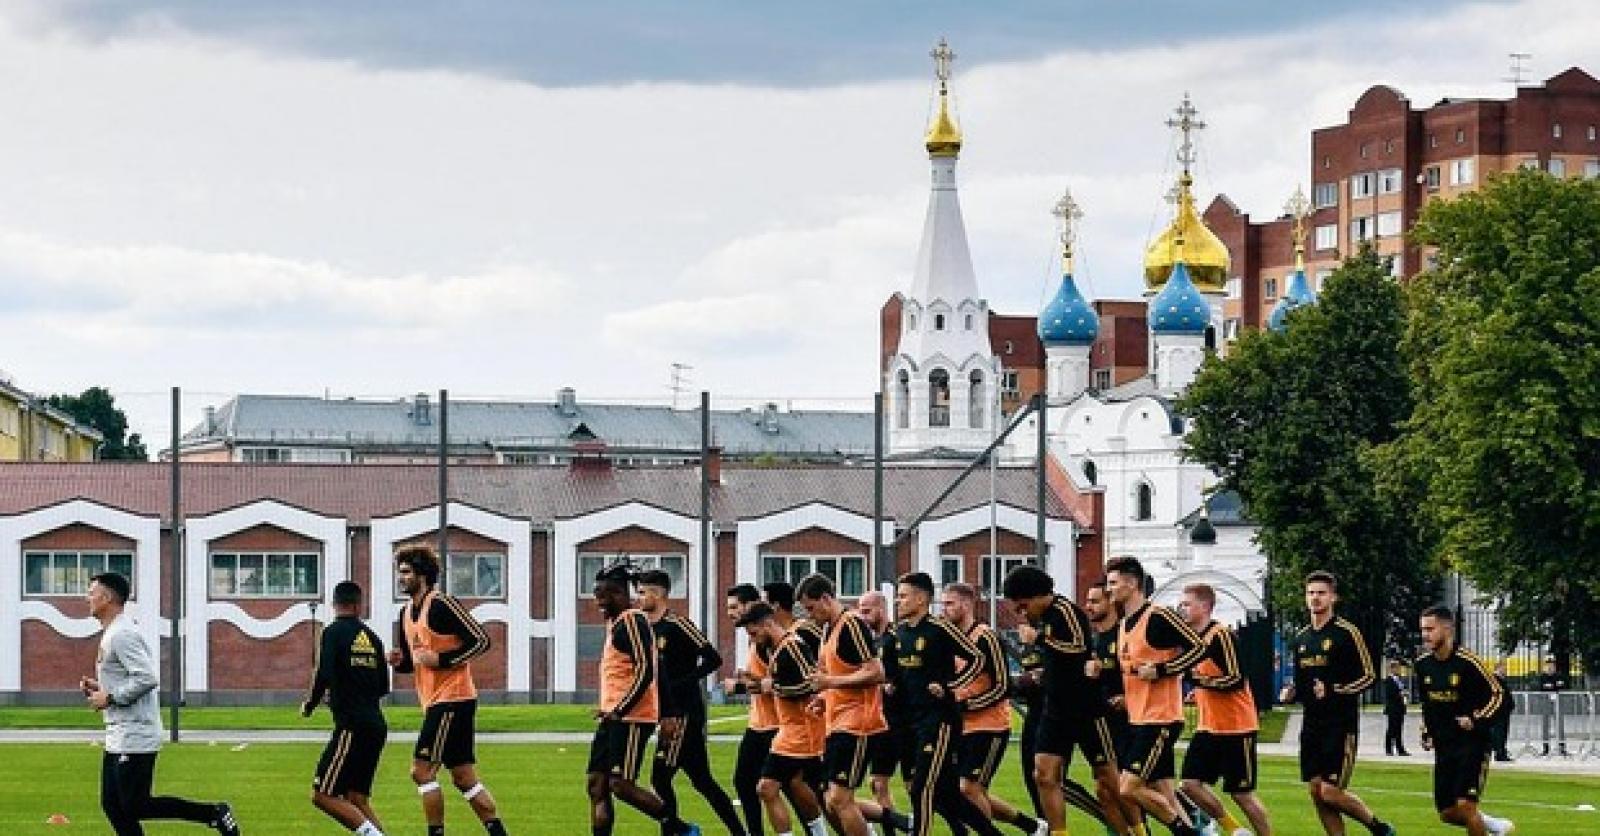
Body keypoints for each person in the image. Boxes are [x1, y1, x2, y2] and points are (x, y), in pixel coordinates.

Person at [82, 572, 241, 836]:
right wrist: (100, 690)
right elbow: (130, 680)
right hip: (119, 732)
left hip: (135, 733)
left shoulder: (122, 634)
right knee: (112, 805)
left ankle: (214, 814)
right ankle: (213, 814)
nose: (86, 598)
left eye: (91, 592)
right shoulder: (113, 632)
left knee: (135, 805)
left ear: (107, 597)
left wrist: (109, 698)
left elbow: (147, 678)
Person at [387, 545, 508, 836]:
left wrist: (442, 660)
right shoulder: (405, 613)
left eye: (406, 572)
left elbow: (481, 640)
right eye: (399, 572)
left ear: (423, 575)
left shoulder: (442, 604)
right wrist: (398, 662)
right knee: (464, 777)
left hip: (453, 699)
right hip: (436, 701)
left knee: (421, 771)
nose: (400, 578)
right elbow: (414, 663)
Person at [1002, 566, 1130, 836]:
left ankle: (1138, 831)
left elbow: (1077, 648)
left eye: (1023, 605)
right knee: (1043, 775)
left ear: (1037, 596)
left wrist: (1039, 639)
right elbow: (1055, 660)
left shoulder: (1066, 611)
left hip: (1085, 707)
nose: (1022, 613)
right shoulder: (1042, 617)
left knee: (1109, 780)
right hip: (1055, 708)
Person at [585, 565, 703, 836]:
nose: (599, 603)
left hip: (632, 718)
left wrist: (622, 709)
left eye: (604, 596)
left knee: (620, 785)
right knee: (596, 785)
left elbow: (648, 670)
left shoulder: (632, 621)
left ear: (619, 593)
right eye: (596, 595)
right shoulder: (616, 623)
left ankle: (682, 829)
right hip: (612, 716)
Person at [882, 571, 1003, 836]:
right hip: (912, 722)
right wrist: (890, 685)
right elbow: (895, 675)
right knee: (947, 795)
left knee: (922, 787)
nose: (898, 602)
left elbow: (978, 659)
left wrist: (952, 686)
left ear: (922, 599)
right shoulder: (898, 633)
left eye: (903, 596)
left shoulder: (940, 629)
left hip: (940, 721)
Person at [1279, 571, 1394, 836]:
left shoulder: (1347, 633)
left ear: (1333, 597)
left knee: (1330, 792)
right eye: (1311, 593)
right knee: (1316, 791)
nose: (1315, 598)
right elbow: (1301, 683)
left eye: (1321, 593)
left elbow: (1369, 676)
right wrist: (1291, 693)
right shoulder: (1302, 638)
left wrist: (1335, 690)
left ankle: (1378, 827)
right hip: (1311, 724)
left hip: (1340, 724)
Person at [796, 574, 911, 836]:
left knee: (839, 798)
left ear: (826, 598)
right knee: (829, 798)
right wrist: (823, 700)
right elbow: (838, 675)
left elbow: (877, 672)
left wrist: (830, 682)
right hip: (836, 723)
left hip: (859, 724)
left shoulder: (852, 625)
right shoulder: (828, 629)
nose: (809, 615)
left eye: (811, 608)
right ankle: (900, 823)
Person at [637, 570, 746, 836]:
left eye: (642, 592)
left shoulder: (678, 624)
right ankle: (739, 833)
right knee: (702, 780)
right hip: (665, 714)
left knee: (660, 779)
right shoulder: (645, 628)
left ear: (658, 594)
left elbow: (713, 659)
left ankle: (678, 832)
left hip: (684, 714)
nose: (637, 598)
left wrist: (683, 681)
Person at [1103, 556, 1205, 836]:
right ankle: (1192, 828)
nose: (1108, 589)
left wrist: (1163, 669)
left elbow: (1199, 647)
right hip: (1138, 718)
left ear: (1133, 583)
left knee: (1128, 786)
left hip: (1160, 718)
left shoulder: (1158, 616)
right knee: (1164, 792)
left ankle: (1187, 831)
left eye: (1113, 583)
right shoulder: (1124, 624)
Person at [939, 582, 1047, 836]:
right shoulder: (948, 639)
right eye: (943, 604)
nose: (944, 609)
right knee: (965, 791)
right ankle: (1032, 826)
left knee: (969, 788)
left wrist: (966, 704)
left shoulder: (985, 637)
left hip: (990, 725)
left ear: (967, 604)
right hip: (960, 726)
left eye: (949, 604)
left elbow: (1003, 686)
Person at [1177, 583, 1271, 836]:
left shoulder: (1221, 635)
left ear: (1205, 606)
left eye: (1187, 604)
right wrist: (1197, 690)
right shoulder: (1193, 640)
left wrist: (1199, 682)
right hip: (1208, 726)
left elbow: (1235, 679)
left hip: (1236, 727)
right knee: (1189, 784)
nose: (1182, 609)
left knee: (1242, 794)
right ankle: (1233, 829)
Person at [1416, 606, 1514, 835]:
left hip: (1472, 745)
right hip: (1444, 745)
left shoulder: (1468, 662)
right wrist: (1427, 732)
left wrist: (1476, 719)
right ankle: (1491, 825)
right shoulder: (1422, 665)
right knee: (1447, 813)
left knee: (1465, 806)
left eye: (1430, 629)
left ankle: (1481, 822)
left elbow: (1500, 695)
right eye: (1422, 629)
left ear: (1448, 629)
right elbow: (1427, 705)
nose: (1425, 634)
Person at [303, 580, 391, 836]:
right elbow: (383, 687)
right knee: (357, 798)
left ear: (334, 604)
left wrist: (310, 703)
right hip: (376, 725)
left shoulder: (332, 632)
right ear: (358, 605)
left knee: (322, 795)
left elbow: (324, 673)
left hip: (351, 726)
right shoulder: (373, 639)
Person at [741, 602, 830, 836]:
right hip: (792, 731)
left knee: (767, 788)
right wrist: (759, 685)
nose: (752, 639)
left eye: (753, 633)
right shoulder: (779, 649)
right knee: (802, 787)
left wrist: (772, 686)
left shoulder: (792, 647)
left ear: (767, 624)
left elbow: (811, 684)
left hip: (803, 731)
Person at [724, 583, 780, 836]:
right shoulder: (754, 639)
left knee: (802, 789)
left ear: (751, 606)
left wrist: (738, 686)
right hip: (759, 723)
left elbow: (775, 682)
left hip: (774, 724)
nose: (730, 613)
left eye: (735, 607)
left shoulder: (767, 640)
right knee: (747, 782)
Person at [857, 590, 912, 826]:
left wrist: (893, 684)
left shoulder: (896, 637)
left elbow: (908, 674)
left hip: (903, 721)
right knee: (877, 782)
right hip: (882, 722)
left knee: (914, 785)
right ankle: (896, 828)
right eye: (860, 610)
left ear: (881, 609)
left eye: (867, 610)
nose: (862, 615)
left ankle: (926, 826)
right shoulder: (871, 641)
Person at [1538, 658, 1569, 756]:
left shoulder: (1558, 676)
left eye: (1552, 666)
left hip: (1558, 701)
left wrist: (1553, 686)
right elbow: (1542, 687)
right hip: (1546, 701)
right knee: (1545, 724)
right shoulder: (1543, 676)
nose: (1550, 668)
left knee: (1560, 723)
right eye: (1548, 666)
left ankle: (1562, 746)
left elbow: (1562, 685)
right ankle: (1545, 747)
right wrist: (1553, 686)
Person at [1383, 661, 1410, 756]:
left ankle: (1400, 749)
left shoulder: (1400, 680)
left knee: (1399, 729)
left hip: (1400, 708)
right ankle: (1388, 749)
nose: (1399, 670)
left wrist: (1404, 694)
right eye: (1397, 668)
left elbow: (1403, 689)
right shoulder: (1389, 680)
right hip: (1393, 708)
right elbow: (1390, 694)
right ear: (1392, 669)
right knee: (1391, 729)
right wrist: (1400, 694)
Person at [1490, 661, 1513, 762]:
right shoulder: (1495, 679)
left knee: (1503, 732)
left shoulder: (1502, 680)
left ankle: (1502, 751)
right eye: (1503, 668)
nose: (1505, 670)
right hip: (1499, 711)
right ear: (1498, 668)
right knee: (1499, 732)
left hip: (1504, 711)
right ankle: (1499, 752)